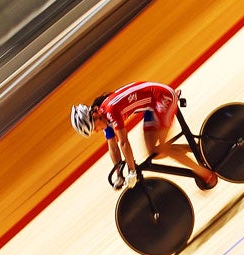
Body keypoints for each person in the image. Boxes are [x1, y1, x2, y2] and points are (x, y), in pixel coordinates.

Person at [71, 80, 218, 190]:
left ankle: (205, 174)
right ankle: (200, 148)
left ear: (95, 114)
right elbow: (113, 147)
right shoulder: (103, 119)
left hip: (162, 97)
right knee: (154, 152)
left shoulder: (111, 110)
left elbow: (123, 142)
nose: (96, 131)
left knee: (164, 149)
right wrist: (119, 176)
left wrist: (132, 171)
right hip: (152, 106)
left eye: (94, 128)